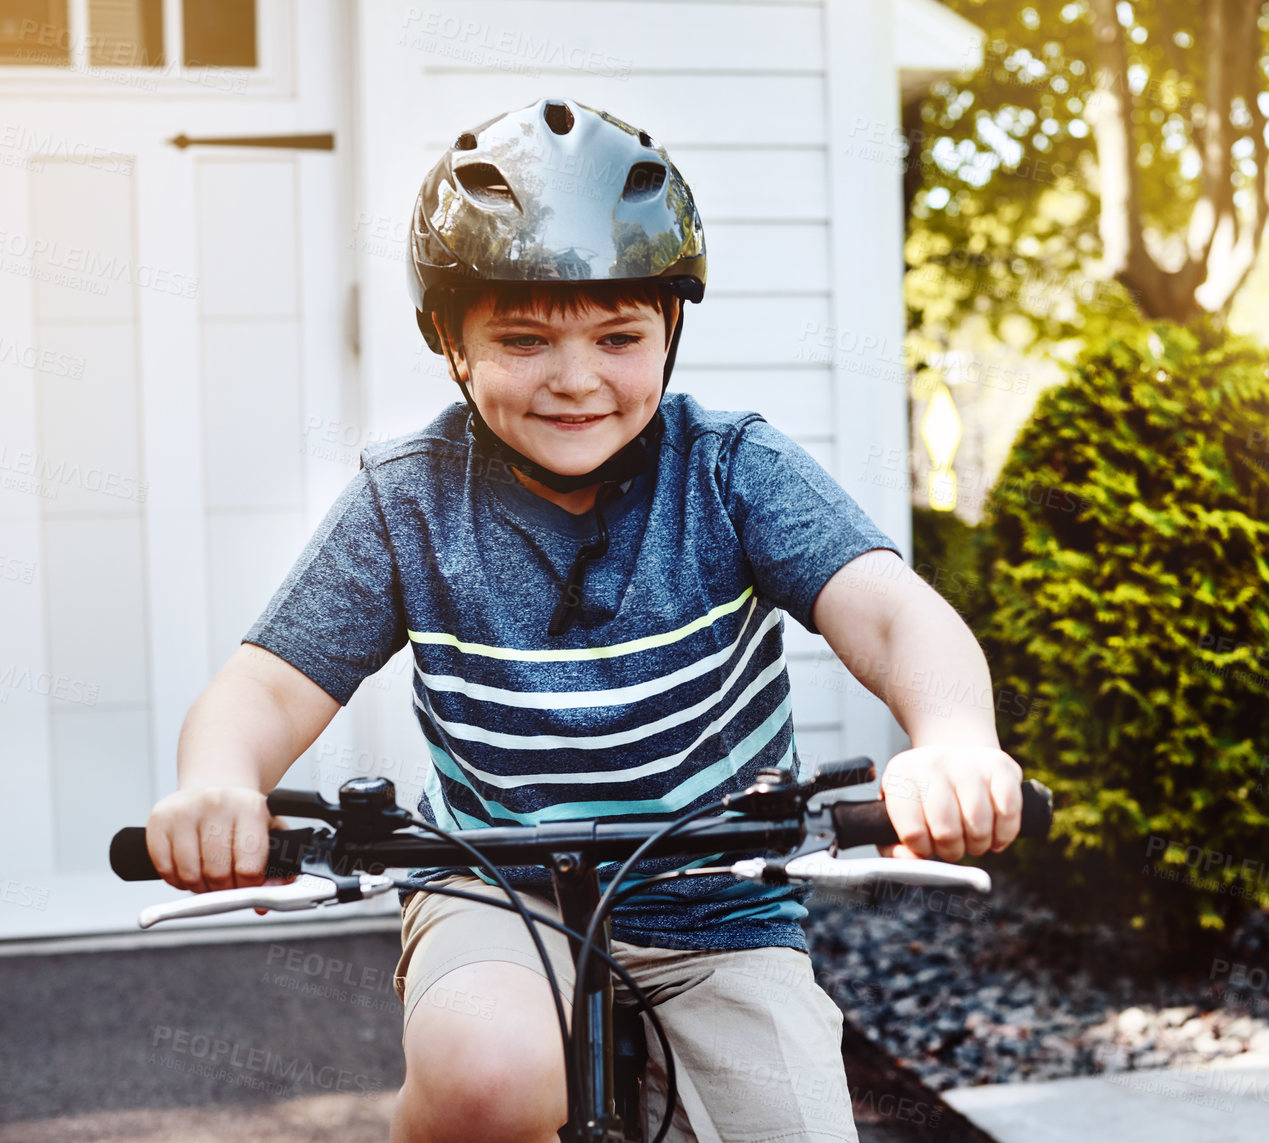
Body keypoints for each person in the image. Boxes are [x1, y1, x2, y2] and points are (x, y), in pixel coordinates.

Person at [142, 96, 1023, 1143]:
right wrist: (217, 785)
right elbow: (265, 687)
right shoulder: (408, 501)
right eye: (521, 338)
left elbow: (891, 618)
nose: (575, 381)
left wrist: (956, 743)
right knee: (488, 1076)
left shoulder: (731, 468)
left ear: (670, 331)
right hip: (491, 885)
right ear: (450, 342)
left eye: (618, 336)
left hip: (720, 901)